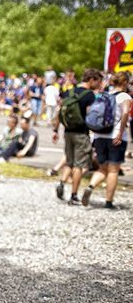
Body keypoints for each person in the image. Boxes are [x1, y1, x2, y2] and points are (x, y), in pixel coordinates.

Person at [81, 72, 130, 209]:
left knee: (103, 168)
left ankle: (90, 186)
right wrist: (120, 132)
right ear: (125, 83)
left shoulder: (103, 95)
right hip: (115, 136)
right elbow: (125, 112)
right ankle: (108, 202)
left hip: (99, 135)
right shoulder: (124, 96)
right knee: (113, 170)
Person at [53, 69, 101, 204]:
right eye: (97, 81)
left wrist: (55, 130)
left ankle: (62, 183)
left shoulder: (70, 91)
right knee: (79, 165)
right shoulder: (90, 95)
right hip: (81, 133)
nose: (98, 84)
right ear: (91, 80)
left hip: (67, 132)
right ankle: (74, 195)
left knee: (69, 161)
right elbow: (90, 116)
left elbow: (59, 111)